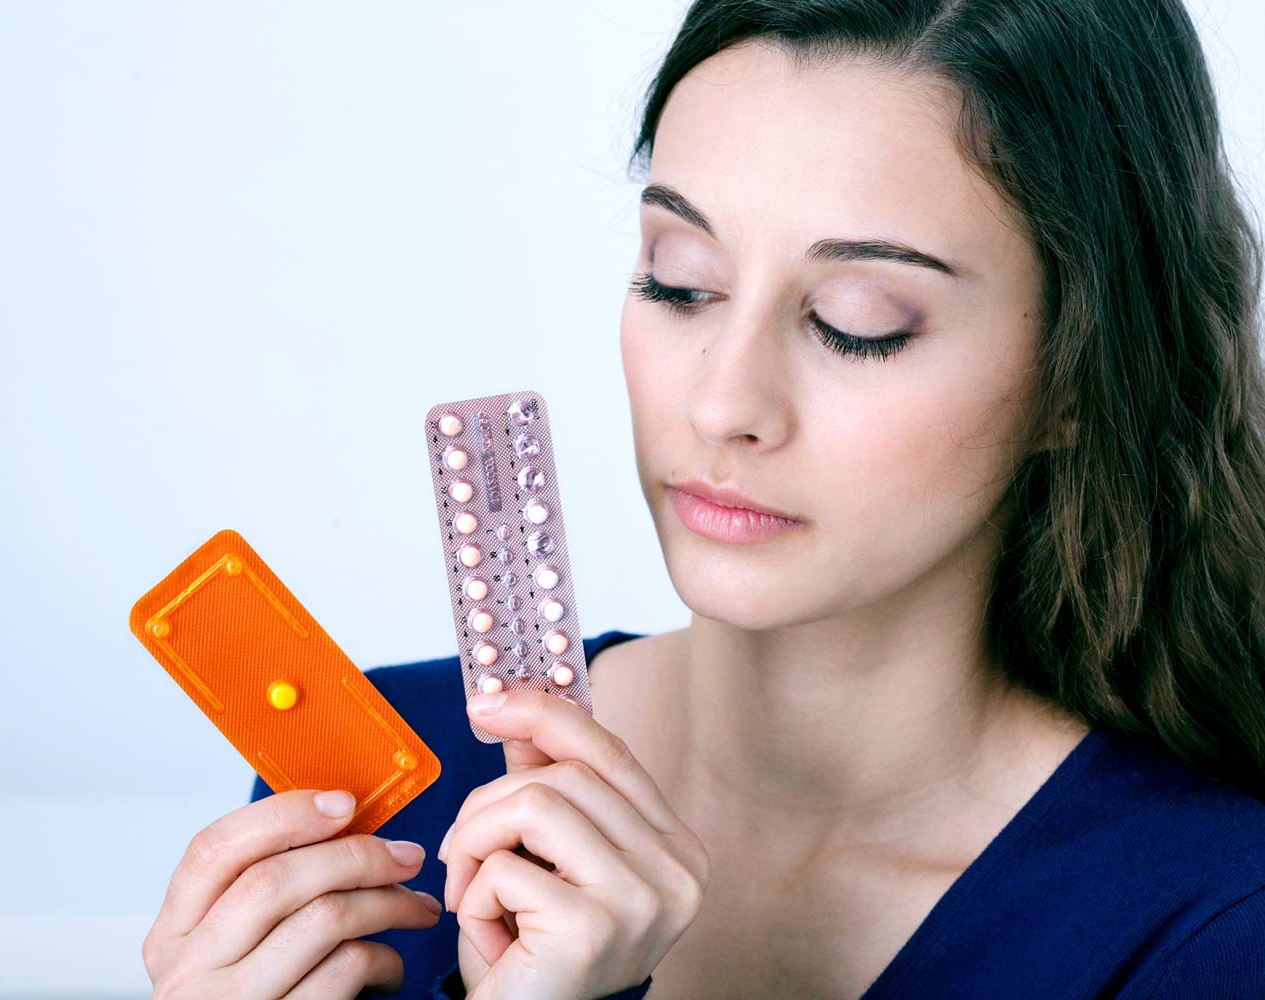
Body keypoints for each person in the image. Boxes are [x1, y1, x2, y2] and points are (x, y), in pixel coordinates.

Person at [141, 1, 1265, 997]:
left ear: (1081, 374)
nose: (725, 403)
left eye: (857, 321)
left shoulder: (1210, 923)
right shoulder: (370, 784)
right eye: (680, 281)